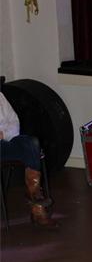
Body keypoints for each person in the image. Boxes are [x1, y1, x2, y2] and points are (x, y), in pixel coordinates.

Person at [0, 92, 58, 229]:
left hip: (6, 140)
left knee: (31, 143)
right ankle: (38, 210)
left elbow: (14, 122)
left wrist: (4, 134)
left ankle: (34, 194)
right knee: (30, 149)